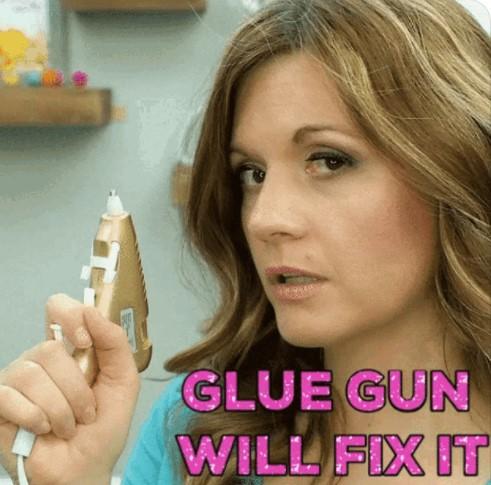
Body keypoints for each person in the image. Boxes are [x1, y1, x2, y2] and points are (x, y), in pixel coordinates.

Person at [0, 0, 489, 483]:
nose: (264, 219)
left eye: (329, 160)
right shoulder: (195, 424)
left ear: (459, 168)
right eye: (252, 173)